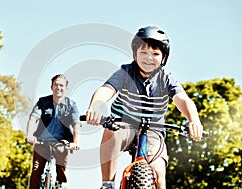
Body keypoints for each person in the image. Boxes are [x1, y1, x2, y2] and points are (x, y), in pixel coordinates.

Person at [85, 26, 204, 189]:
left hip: (153, 130)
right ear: (135, 55)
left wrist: (194, 121)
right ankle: (107, 183)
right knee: (112, 131)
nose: (149, 58)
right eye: (143, 52)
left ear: (164, 58)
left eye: (155, 54)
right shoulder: (126, 72)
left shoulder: (166, 79)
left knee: (158, 171)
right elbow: (106, 89)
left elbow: (182, 100)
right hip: (123, 125)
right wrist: (95, 106)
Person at [26, 74, 81, 189]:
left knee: (61, 150)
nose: (58, 87)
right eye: (55, 84)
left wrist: (76, 142)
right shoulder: (43, 102)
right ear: (51, 87)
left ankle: (60, 183)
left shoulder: (71, 105)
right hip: (42, 141)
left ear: (66, 88)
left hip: (61, 141)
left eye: (61, 85)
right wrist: (30, 135)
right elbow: (33, 118)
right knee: (36, 171)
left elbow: (76, 124)